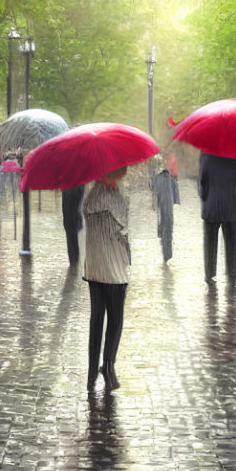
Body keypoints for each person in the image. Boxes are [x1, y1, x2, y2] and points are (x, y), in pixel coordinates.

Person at [83, 167, 130, 393]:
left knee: (96, 319)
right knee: (115, 319)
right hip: (113, 270)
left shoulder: (90, 197)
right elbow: (124, 232)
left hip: (94, 268)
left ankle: (92, 370)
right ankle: (108, 367)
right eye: (119, 175)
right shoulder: (114, 199)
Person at [198, 152, 236, 282]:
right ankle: (232, 277)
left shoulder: (206, 155)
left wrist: (206, 197)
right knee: (232, 247)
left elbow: (201, 182)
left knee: (210, 246)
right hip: (231, 208)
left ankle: (210, 277)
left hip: (211, 208)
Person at [152, 164, 179, 264]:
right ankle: (167, 256)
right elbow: (176, 199)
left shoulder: (157, 178)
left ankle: (165, 255)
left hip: (161, 207)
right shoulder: (172, 181)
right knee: (168, 229)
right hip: (168, 209)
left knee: (162, 226)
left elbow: (154, 192)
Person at [61, 185, 85, 266]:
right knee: (75, 245)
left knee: (73, 246)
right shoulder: (81, 184)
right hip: (74, 221)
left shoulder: (69, 185)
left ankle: (74, 266)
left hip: (71, 221)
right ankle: (75, 266)